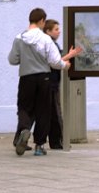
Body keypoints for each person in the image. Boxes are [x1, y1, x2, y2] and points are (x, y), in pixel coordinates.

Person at [8, 8, 76, 156]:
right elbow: (54, 61)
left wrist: (24, 59)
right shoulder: (45, 39)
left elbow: (12, 60)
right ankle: (39, 146)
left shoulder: (19, 38)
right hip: (44, 78)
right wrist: (65, 65)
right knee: (43, 112)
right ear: (41, 21)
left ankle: (25, 129)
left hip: (26, 77)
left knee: (24, 108)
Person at [43, 18, 71, 149]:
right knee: (55, 113)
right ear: (48, 31)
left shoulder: (52, 43)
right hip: (51, 83)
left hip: (51, 82)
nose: (59, 32)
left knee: (51, 113)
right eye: (56, 29)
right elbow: (55, 62)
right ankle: (56, 141)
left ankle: (55, 140)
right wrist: (70, 55)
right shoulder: (49, 44)